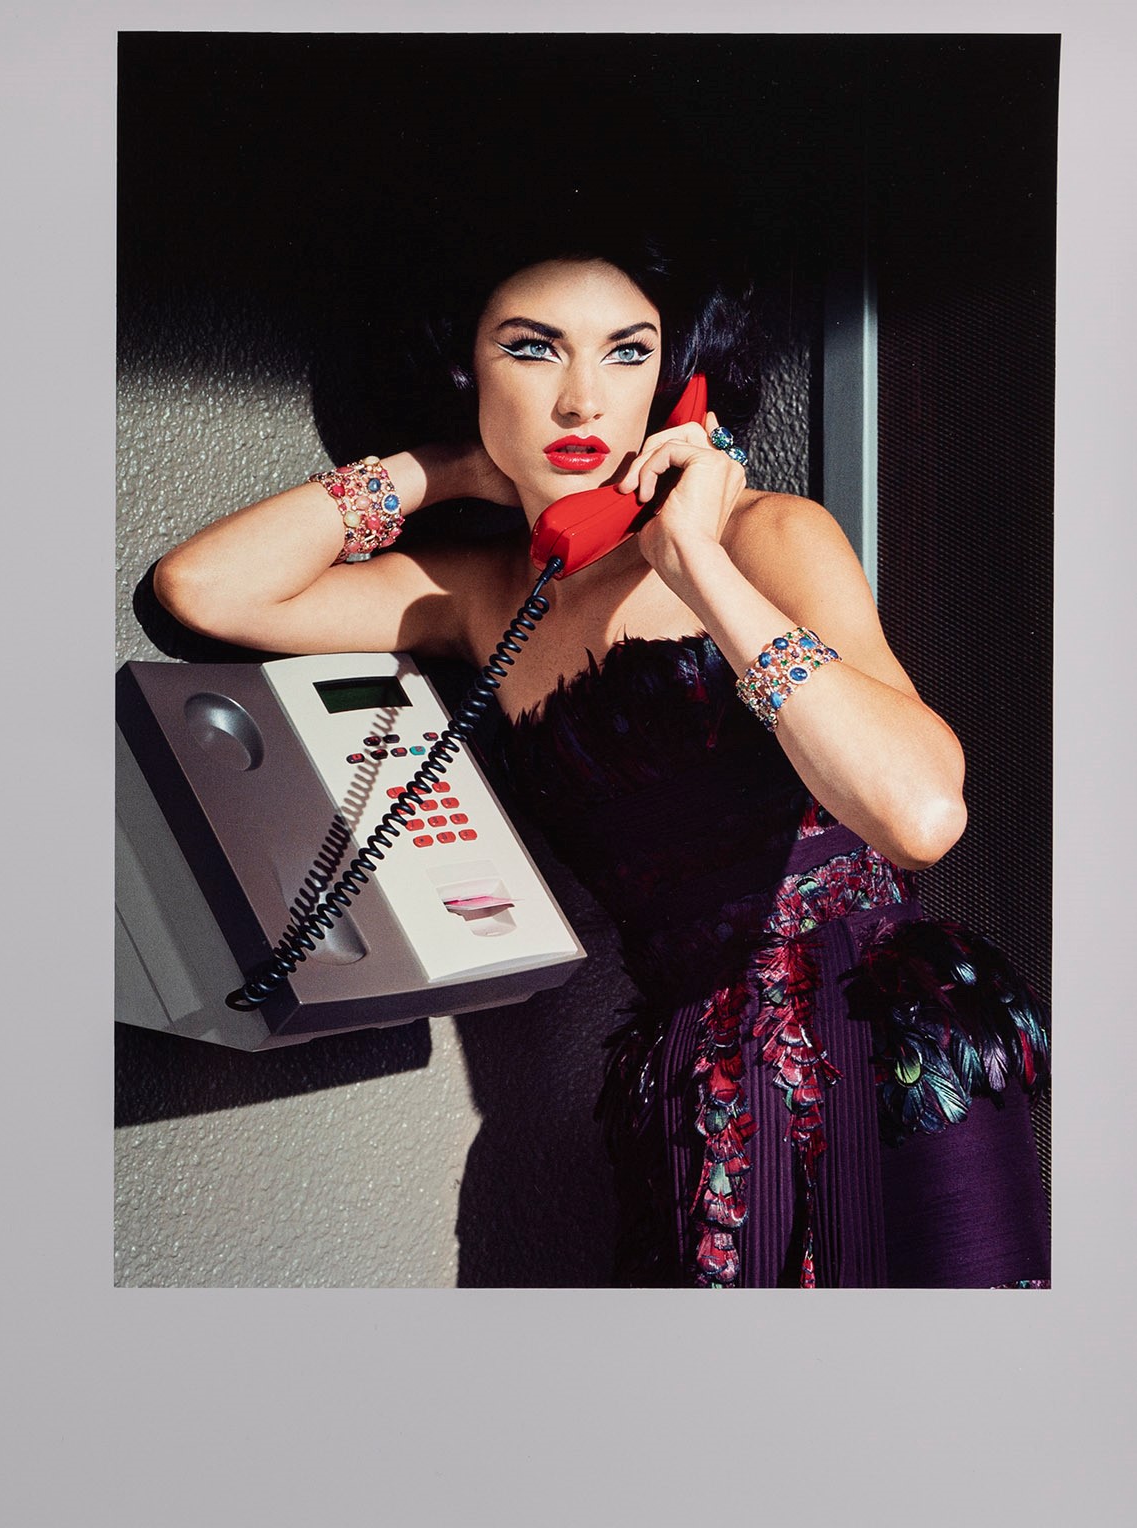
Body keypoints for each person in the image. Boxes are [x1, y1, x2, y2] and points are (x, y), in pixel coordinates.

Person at [150, 231, 1050, 1288]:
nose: (583, 400)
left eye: (628, 353)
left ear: (673, 380)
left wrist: (698, 564)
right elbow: (204, 589)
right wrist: (445, 468)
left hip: (887, 1052)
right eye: (532, 350)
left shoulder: (769, 537)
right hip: (694, 1083)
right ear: (465, 372)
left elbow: (922, 815)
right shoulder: (481, 597)